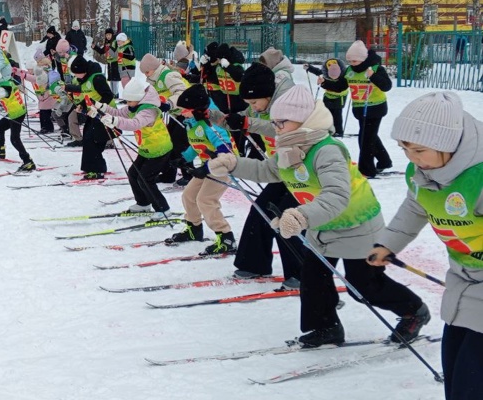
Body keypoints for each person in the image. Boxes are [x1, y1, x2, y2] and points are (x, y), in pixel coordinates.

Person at [205, 85, 428, 347]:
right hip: (323, 224)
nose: (276, 127)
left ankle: (414, 311)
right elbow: (270, 170)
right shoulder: (291, 145)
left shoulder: (327, 150)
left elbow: (336, 195)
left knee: (364, 285)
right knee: (313, 279)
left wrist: (300, 216)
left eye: (282, 122)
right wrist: (233, 164)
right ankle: (326, 327)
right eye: (275, 122)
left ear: (305, 120)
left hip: (356, 224)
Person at [368, 92, 481, 399]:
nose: (412, 158)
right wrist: (388, 243)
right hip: (463, 280)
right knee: (456, 368)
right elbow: (415, 208)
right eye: (405, 149)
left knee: (472, 379)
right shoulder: (425, 176)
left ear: (450, 145)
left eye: (419, 149)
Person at [226, 62, 304, 289]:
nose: (253, 107)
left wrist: (249, 123)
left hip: (305, 170)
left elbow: (281, 128)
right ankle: (254, 263)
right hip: (283, 167)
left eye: (254, 102)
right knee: (261, 210)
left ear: (267, 94)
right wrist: (219, 117)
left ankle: (302, 273)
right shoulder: (263, 100)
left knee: (287, 216)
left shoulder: (289, 102)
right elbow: (246, 116)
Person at [167, 84, 237, 256]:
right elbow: (198, 145)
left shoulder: (211, 123)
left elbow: (224, 150)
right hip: (209, 165)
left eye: (185, 110)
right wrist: (184, 158)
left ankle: (226, 237)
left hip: (223, 166)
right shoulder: (193, 121)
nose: (181, 113)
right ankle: (194, 229)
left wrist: (205, 169)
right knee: (189, 196)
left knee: (206, 200)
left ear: (196, 108)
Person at [94, 79, 173, 220]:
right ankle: (143, 203)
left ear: (139, 99)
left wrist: (115, 122)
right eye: (127, 101)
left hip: (159, 149)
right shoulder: (133, 107)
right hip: (147, 149)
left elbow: (134, 124)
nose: (128, 104)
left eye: (130, 101)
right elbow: (118, 113)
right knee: (133, 174)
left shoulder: (148, 111)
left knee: (145, 179)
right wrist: (103, 108)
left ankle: (163, 208)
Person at [140, 52, 191, 184]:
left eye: (147, 72)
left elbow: (182, 92)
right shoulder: (153, 80)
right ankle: (168, 175)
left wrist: (168, 103)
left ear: (153, 68)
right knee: (168, 144)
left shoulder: (168, 75)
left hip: (188, 112)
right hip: (175, 114)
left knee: (180, 145)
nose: (146, 75)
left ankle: (189, 174)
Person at [344, 40, 392, 178]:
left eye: (355, 61)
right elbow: (340, 86)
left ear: (363, 60)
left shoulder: (376, 69)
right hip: (360, 110)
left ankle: (366, 170)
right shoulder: (349, 71)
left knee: (365, 139)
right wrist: (324, 82)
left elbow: (386, 86)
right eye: (350, 61)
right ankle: (384, 161)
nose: (352, 64)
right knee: (370, 137)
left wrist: (373, 76)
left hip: (375, 108)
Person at [66, 55, 115, 180]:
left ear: (83, 70)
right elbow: (88, 96)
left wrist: (99, 107)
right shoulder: (85, 79)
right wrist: (82, 107)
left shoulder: (97, 78)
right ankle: (90, 166)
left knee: (95, 140)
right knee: (88, 138)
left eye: (77, 73)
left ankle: (97, 169)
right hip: (94, 113)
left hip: (106, 113)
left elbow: (108, 95)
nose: (76, 76)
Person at [304, 58, 349, 137]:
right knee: (326, 114)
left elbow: (337, 87)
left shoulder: (343, 78)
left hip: (339, 98)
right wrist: (310, 68)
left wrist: (324, 83)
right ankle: (327, 129)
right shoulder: (326, 74)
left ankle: (338, 131)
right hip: (328, 97)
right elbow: (318, 72)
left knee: (337, 115)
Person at [19, 50, 58, 134]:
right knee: (44, 112)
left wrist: (25, 75)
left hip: (47, 95)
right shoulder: (41, 69)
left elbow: (35, 79)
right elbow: (31, 76)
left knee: (44, 112)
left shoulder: (42, 71)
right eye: (27, 70)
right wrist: (21, 73)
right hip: (43, 95)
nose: (29, 71)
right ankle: (46, 127)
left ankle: (47, 128)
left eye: (30, 69)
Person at [92, 28, 120, 95]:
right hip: (109, 63)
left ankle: (115, 93)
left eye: (109, 35)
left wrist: (109, 48)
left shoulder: (115, 42)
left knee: (115, 79)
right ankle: (113, 93)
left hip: (115, 62)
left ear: (112, 35)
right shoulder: (107, 42)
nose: (108, 36)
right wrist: (95, 47)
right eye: (107, 35)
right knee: (111, 79)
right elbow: (102, 51)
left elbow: (115, 52)